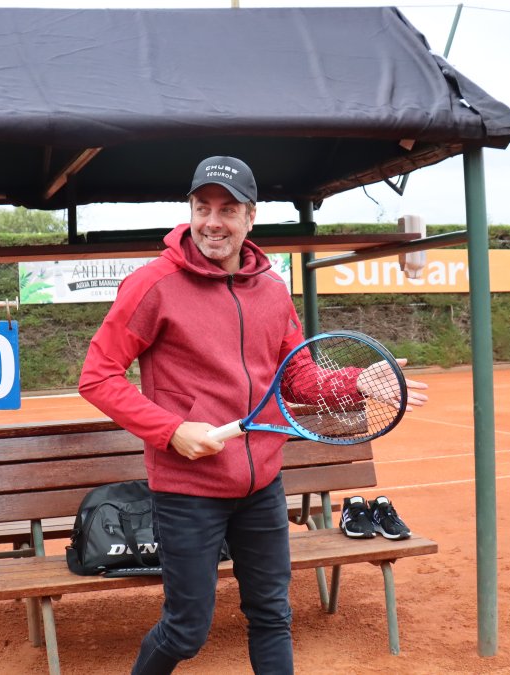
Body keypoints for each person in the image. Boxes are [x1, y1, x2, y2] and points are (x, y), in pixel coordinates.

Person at [78, 155, 429, 674]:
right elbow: (98, 376)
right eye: (203, 207)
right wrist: (172, 431)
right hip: (187, 490)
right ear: (191, 211)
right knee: (186, 630)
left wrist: (357, 381)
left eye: (228, 209)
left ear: (250, 217)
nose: (213, 221)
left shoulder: (271, 288)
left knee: (271, 614)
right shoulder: (152, 286)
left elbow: (299, 379)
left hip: (262, 486)